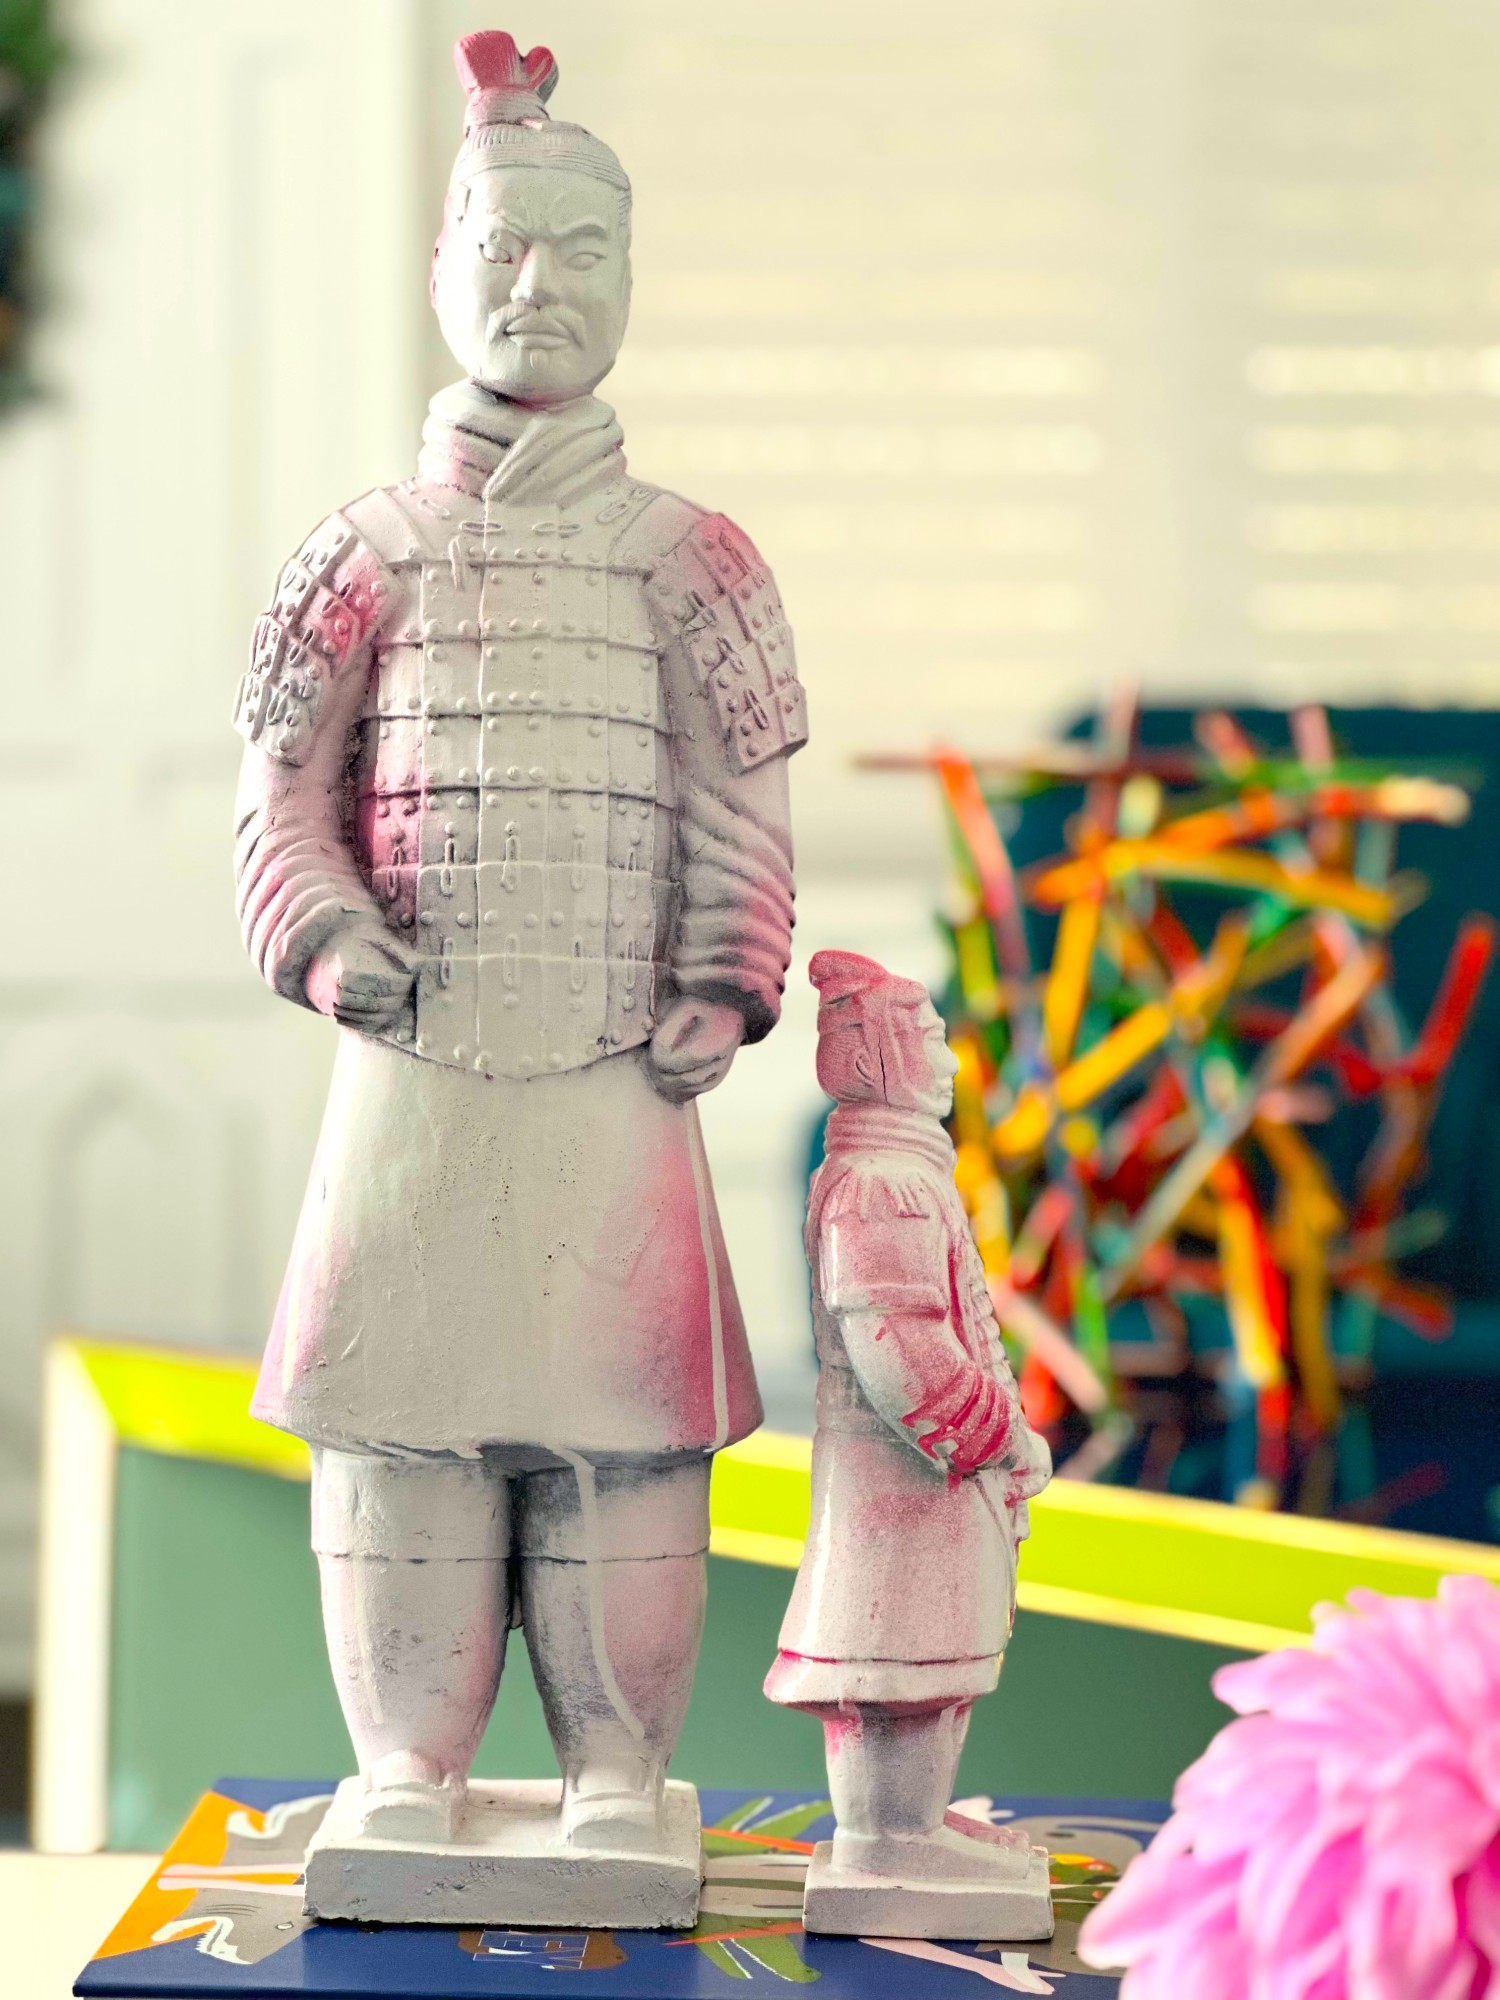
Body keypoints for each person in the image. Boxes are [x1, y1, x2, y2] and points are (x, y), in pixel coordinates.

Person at [232, 30, 805, 1860]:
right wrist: (327, 938)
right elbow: (280, 802)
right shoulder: (360, 554)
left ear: (632, 280)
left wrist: (722, 978)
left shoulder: (697, 561)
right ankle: (406, 1769)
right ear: (440, 272)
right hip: (411, 1085)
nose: (537, 286)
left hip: (620, 1086)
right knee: (398, 1435)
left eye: (582, 251)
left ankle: (617, 1778)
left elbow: (738, 807)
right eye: (500, 247)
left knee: (623, 1445)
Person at [765, 950, 1053, 1937]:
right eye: (926, 1039)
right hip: (905, 1478)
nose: (950, 1059)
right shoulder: (880, 1184)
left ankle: (910, 1822)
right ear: (878, 1055)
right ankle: (883, 1837)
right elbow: (900, 1351)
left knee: (930, 1663)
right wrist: (997, 1434)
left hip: (923, 1481)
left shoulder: (899, 1171)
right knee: (893, 1671)